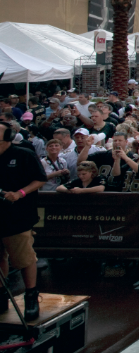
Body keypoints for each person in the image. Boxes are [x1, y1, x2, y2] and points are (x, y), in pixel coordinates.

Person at [0, 121, 47, 320]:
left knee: (24, 258)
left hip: (17, 216)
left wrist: (20, 193)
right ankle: (2, 295)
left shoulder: (24, 154)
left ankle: (31, 296)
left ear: (8, 137)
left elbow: (40, 179)